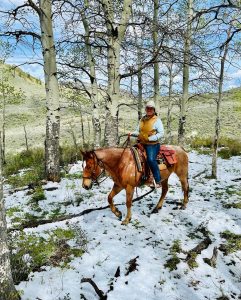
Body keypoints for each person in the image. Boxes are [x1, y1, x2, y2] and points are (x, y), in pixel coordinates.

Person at [130, 100, 164, 188]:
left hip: (152, 144)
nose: (149, 110)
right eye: (147, 108)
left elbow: (161, 133)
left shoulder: (157, 120)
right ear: (145, 109)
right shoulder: (142, 119)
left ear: (154, 110)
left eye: (151, 108)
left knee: (151, 159)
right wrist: (131, 134)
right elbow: (138, 131)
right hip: (141, 143)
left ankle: (158, 180)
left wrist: (150, 138)